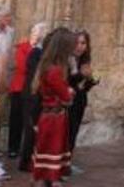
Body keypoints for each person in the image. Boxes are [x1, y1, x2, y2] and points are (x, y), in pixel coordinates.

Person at [31, 28, 77, 185]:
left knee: (49, 152)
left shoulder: (49, 67)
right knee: (51, 151)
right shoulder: (54, 71)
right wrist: (69, 92)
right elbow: (66, 96)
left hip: (53, 116)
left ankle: (49, 180)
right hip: (53, 118)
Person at [9, 22, 47, 159]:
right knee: (16, 118)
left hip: (33, 89)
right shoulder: (24, 47)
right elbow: (22, 66)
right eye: (37, 32)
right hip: (20, 86)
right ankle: (13, 148)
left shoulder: (42, 50)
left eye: (41, 33)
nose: (38, 35)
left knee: (29, 121)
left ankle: (27, 149)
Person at [68, 29, 98, 164]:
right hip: (68, 101)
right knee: (67, 132)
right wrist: (81, 76)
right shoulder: (68, 59)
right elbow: (68, 81)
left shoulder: (84, 61)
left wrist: (91, 81)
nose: (80, 46)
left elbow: (83, 87)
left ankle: (68, 161)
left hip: (79, 101)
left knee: (74, 131)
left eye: (83, 43)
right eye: (78, 43)